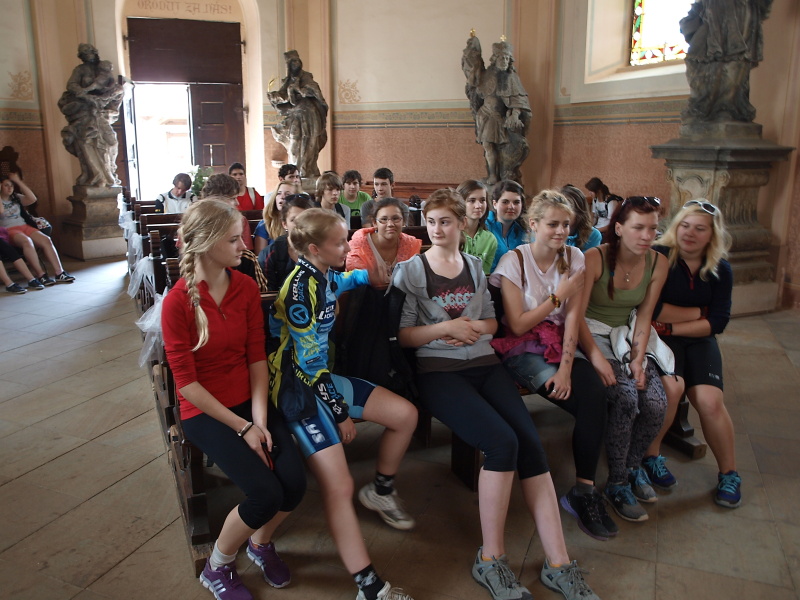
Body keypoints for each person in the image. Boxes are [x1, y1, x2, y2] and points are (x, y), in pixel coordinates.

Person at [394, 189, 600, 600]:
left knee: (532, 446)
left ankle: (559, 564)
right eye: (431, 222)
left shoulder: (474, 266)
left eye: (445, 221)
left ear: (461, 225)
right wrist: (446, 329)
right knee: (502, 443)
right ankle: (491, 559)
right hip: (439, 371)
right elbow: (403, 336)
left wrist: (473, 328)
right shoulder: (412, 271)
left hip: (485, 364)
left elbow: (493, 324)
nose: (437, 229)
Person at [269, 208, 418, 600]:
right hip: (298, 391)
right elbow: (307, 364)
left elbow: (342, 278)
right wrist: (339, 413)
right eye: (339, 243)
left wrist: (365, 276)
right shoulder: (299, 290)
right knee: (340, 485)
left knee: (405, 414)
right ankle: (368, 586)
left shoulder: (322, 274)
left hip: (321, 380)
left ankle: (381, 490)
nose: (346, 247)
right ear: (315, 249)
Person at [161, 199, 307, 599]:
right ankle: (218, 565)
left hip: (249, 401)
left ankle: (260, 543)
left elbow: (256, 358)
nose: (244, 245)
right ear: (206, 243)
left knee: (294, 484)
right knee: (265, 494)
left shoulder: (244, 286)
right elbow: (186, 384)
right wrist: (243, 428)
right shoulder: (178, 302)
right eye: (233, 239)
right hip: (205, 410)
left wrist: (259, 421)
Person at [489, 189, 614, 541]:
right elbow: (518, 324)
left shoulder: (574, 257)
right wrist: (559, 294)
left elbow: (572, 319)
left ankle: (584, 490)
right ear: (533, 225)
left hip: (560, 343)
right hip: (523, 347)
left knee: (596, 395)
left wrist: (567, 368)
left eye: (566, 225)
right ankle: (582, 490)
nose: (561, 231)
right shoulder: (514, 260)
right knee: (584, 401)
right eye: (552, 224)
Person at [642, 200, 742, 507]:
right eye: (685, 225)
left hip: (696, 340)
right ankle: (650, 457)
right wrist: (700, 312)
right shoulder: (659, 255)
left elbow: (719, 321)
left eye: (700, 229)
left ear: (712, 234)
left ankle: (729, 474)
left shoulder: (720, 269)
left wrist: (674, 325)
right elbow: (653, 308)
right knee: (672, 390)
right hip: (661, 340)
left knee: (710, 401)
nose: (690, 233)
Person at [577, 196, 669, 523]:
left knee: (656, 402)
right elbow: (575, 316)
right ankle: (616, 483)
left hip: (627, 336)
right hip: (591, 334)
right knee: (626, 398)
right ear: (618, 228)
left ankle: (632, 467)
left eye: (653, 229)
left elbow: (644, 315)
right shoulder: (595, 258)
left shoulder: (658, 263)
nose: (647, 236)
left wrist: (638, 360)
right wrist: (596, 358)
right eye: (638, 228)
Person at [462, 36, 531, 184]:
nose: (504, 61)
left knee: (500, 148)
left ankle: (502, 176)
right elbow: (476, 89)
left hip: (499, 118)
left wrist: (515, 115)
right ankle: (492, 175)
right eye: (501, 58)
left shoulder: (511, 78)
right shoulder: (487, 74)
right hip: (485, 116)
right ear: (495, 59)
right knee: (488, 146)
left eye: (507, 58)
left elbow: (518, 100)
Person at [0, 173, 74, 284]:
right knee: (27, 241)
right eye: (6, 185)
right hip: (9, 229)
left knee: (46, 240)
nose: (10, 188)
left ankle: (60, 272)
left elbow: (32, 199)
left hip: (24, 226)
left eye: (12, 185)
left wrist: (18, 181)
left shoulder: (16, 198)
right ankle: (41, 275)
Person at [267, 50, 328, 179]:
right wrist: (278, 96)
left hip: (310, 115)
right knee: (294, 143)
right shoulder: (288, 82)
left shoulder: (307, 78)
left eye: (297, 61)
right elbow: (283, 97)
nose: (295, 64)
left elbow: (315, 90)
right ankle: (296, 171)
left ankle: (308, 170)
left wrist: (300, 89)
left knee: (311, 144)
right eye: (292, 62)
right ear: (288, 65)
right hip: (295, 117)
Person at [346, 197, 421, 282]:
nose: (390, 224)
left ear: (403, 222)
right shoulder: (359, 245)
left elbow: (415, 279)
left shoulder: (411, 244)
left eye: (395, 218)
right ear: (374, 223)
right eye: (384, 219)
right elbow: (355, 280)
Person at [264, 194, 315, 291]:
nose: (300, 224)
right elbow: (268, 294)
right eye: (293, 220)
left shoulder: (322, 249)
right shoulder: (270, 254)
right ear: (284, 224)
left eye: (305, 219)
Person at [202, 173, 254, 250]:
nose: (237, 203)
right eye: (233, 198)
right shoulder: (197, 221)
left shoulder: (241, 220)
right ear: (217, 199)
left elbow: (245, 251)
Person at [485, 180, 528, 271]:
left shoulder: (524, 232)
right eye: (505, 202)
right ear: (495, 204)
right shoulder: (483, 226)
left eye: (516, 202)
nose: (511, 206)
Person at [456, 180, 498, 275]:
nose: (478, 206)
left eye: (482, 200)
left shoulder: (490, 239)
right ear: (460, 203)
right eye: (472, 201)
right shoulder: (451, 234)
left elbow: (485, 275)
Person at [255, 182, 301, 255]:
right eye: (279, 193)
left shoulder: (303, 222)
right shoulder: (264, 225)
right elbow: (260, 256)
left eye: (287, 194)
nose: (282, 197)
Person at [560, 185, 601, 252]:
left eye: (567, 209)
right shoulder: (548, 231)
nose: (560, 214)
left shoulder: (593, 235)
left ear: (579, 213)